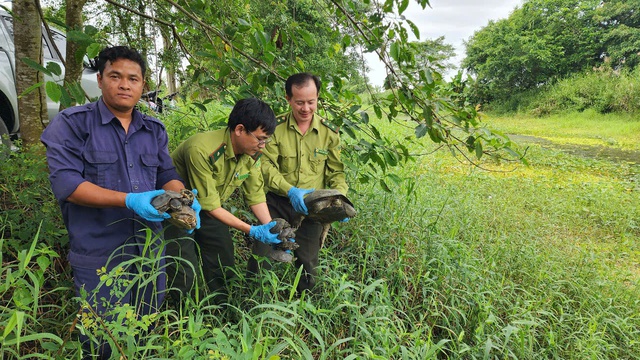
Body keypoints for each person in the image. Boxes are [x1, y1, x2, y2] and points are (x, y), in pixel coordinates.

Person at [40, 45, 200, 358]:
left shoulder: (153, 130)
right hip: (100, 256)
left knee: (144, 333)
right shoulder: (72, 125)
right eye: (115, 76)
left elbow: (166, 173)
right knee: (101, 341)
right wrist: (129, 200)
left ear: (142, 85)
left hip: (150, 252)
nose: (124, 84)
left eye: (133, 79)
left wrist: (182, 197)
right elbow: (68, 185)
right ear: (99, 79)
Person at [165, 97, 284, 301]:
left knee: (223, 260)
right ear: (239, 130)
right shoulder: (201, 149)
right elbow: (209, 204)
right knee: (183, 268)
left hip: (211, 207)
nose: (263, 146)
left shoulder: (251, 153)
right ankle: (180, 318)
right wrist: (253, 231)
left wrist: (270, 228)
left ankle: (222, 312)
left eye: (267, 140)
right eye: (260, 139)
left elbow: (255, 195)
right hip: (176, 209)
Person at [249, 72, 349, 293]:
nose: (306, 108)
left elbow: (336, 172)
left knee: (307, 262)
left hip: (313, 207)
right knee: (262, 254)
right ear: (288, 99)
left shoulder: (329, 132)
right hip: (278, 201)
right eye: (299, 102)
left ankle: (304, 306)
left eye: (311, 102)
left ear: (318, 98)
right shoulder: (274, 128)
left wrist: (339, 199)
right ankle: (253, 298)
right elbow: (265, 166)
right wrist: (290, 190)